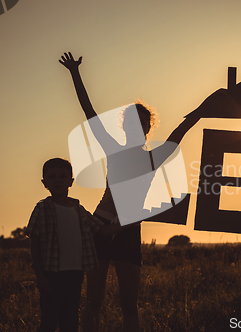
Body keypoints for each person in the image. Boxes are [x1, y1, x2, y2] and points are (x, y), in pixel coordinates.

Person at [59, 52, 198, 332]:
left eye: (143, 123)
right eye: (132, 122)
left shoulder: (154, 157)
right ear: (124, 126)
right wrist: (74, 73)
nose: (139, 127)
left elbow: (183, 128)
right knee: (94, 302)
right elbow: (89, 113)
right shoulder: (113, 148)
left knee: (128, 304)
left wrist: (203, 109)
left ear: (149, 128)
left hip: (128, 230)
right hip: (100, 228)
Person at [25, 158, 128, 332]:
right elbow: (34, 241)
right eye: (52, 177)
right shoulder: (42, 208)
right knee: (49, 320)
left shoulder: (78, 209)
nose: (57, 180)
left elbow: (102, 230)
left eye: (63, 176)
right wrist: (40, 275)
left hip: (75, 274)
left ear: (71, 181)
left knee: (70, 318)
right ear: (45, 183)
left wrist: (129, 222)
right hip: (51, 274)